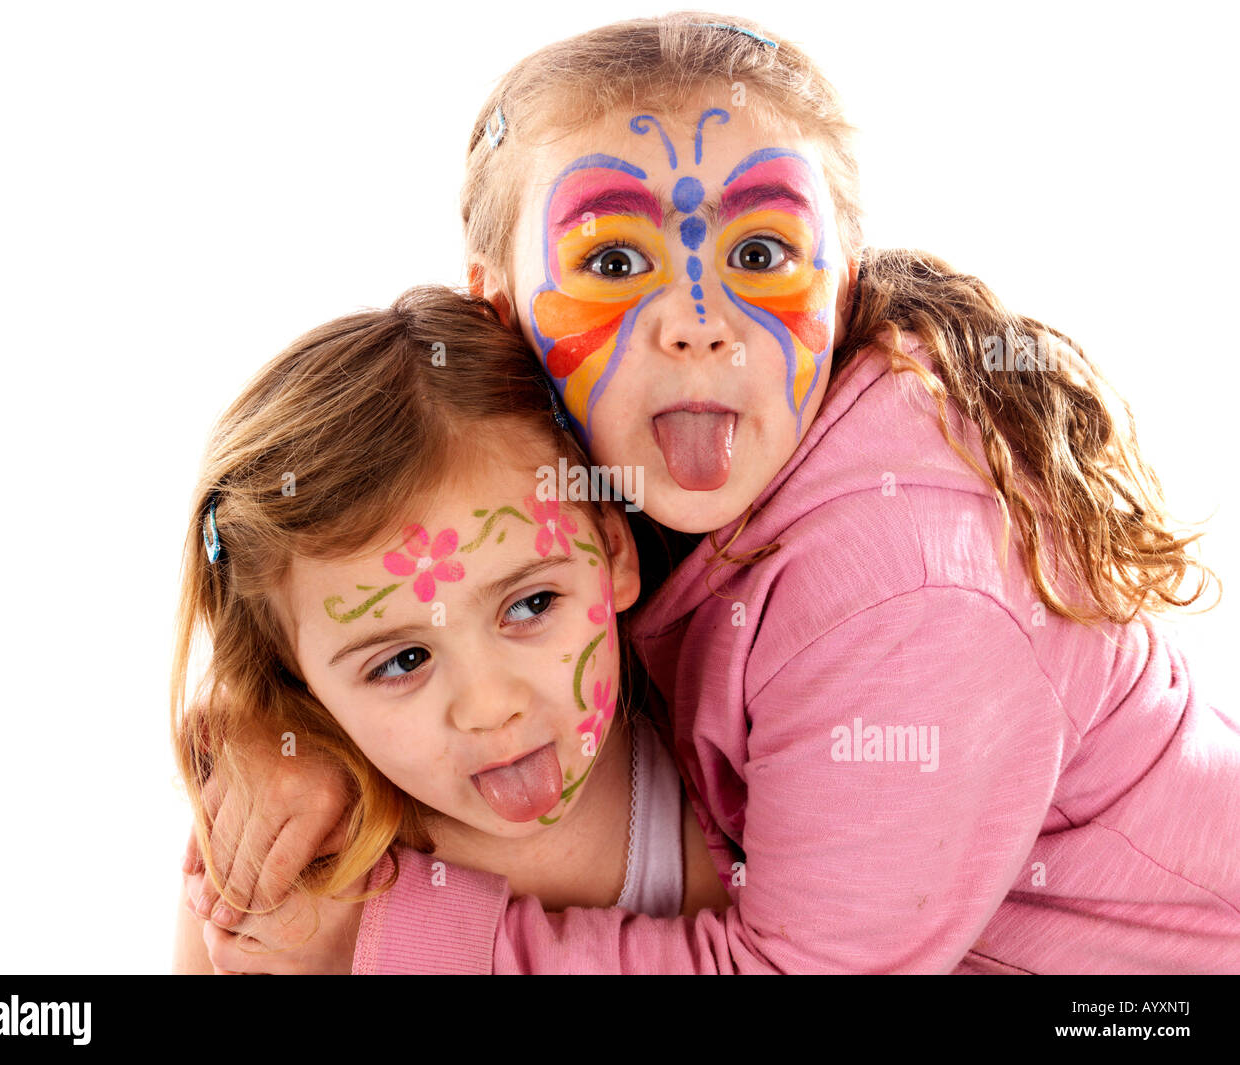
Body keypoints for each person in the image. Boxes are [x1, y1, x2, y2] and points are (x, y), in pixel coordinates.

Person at [190, 13, 1239, 974]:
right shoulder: (574, 463)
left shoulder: (907, 589)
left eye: (759, 252)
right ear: (498, 311)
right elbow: (348, 572)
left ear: (843, 283)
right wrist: (284, 741)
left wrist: (383, 939)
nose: (698, 321)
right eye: (611, 257)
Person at [171, 287, 729, 973]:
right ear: (298, 675)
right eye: (403, 659)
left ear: (614, 551)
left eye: (530, 605)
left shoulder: (707, 800)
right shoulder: (290, 871)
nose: (490, 704)